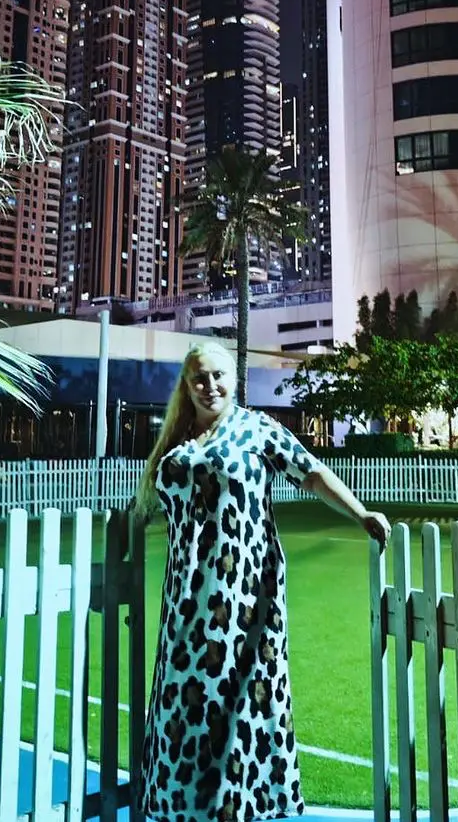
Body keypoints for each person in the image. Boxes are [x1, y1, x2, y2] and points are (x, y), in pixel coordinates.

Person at [134, 341, 391, 822]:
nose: (210, 386)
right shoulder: (177, 440)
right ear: (187, 387)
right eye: (199, 378)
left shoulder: (256, 429)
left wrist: (361, 512)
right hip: (186, 599)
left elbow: (310, 474)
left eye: (218, 376)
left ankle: (240, 806)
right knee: (188, 705)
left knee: (239, 699)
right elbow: (157, 508)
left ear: (234, 379)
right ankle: (186, 806)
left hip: (245, 596)